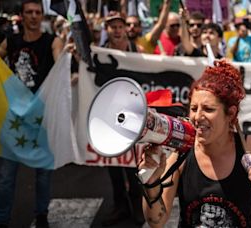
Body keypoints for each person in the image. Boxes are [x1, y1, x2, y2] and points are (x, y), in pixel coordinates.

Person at [140, 60, 251, 227]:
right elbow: (157, 221)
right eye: (194, 108)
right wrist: (151, 185)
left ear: (230, 114)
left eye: (208, 109)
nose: (197, 117)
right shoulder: (181, 149)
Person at [0, 1, 63, 227]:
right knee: (6, 175)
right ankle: (2, 218)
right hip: (14, 118)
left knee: (43, 172)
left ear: (42, 16)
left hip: (40, 117)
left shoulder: (51, 41)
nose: (34, 16)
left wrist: (68, 59)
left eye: (38, 12)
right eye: (29, 12)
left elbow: (60, 60)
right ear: (22, 16)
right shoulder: (12, 41)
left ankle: (41, 215)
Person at [100, 12, 144, 227]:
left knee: (133, 164)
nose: (116, 30)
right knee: (114, 165)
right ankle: (120, 206)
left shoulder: (138, 52)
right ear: (106, 29)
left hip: (133, 116)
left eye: (120, 26)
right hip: (109, 118)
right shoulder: (99, 53)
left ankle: (137, 205)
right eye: (112, 26)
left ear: (126, 28)